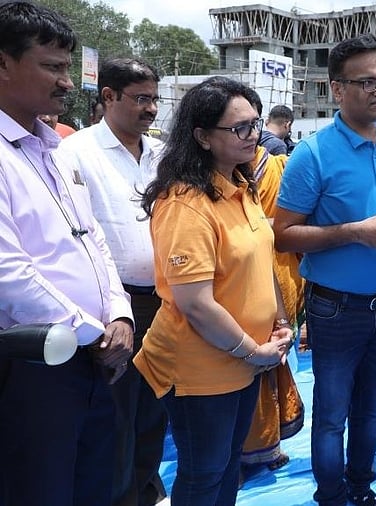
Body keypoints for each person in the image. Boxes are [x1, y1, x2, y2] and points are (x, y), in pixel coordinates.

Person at [272, 34, 376, 506]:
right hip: (335, 310)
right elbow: (281, 235)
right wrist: (353, 232)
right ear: (337, 90)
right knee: (334, 412)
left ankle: (361, 487)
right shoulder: (313, 154)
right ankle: (332, 495)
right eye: (368, 82)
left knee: (370, 409)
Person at [134, 76, 292, 506]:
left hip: (244, 360)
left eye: (256, 124)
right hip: (200, 370)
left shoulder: (241, 188)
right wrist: (251, 350)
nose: (254, 135)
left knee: (226, 468)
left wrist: (280, 325)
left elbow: (263, 261)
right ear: (202, 136)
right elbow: (196, 303)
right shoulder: (185, 204)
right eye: (239, 127)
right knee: (204, 473)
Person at [0, 3, 135, 505]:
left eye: (67, 67)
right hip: (36, 366)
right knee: (42, 489)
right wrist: (96, 333)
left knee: (96, 485)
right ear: (4, 62)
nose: (66, 82)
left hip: (94, 356)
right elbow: (8, 274)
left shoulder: (54, 148)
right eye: (51, 67)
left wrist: (119, 315)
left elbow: (92, 239)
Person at [56, 57, 168, 506]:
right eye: (142, 99)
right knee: (114, 414)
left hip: (165, 301)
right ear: (108, 97)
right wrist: (107, 309)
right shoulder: (74, 153)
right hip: (113, 307)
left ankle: (145, 487)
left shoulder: (161, 154)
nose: (151, 110)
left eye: (155, 99)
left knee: (155, 407)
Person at [240, 94, 306, 475]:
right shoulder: (206, 181)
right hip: (241, 285)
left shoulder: (282, 165)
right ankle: (243, 450)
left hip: (281, 275)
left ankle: (267, 444)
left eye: (251, 123)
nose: (247, 133)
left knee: (279, 364)